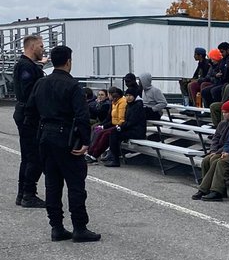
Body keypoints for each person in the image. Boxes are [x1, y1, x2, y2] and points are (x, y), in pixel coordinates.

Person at [25, 44, 99, 242]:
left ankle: (56, 226)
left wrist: (36, 138)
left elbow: (30, 112)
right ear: (68, 61)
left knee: (52, 184)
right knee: (75, 185)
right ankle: (79, 227)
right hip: (66, 137)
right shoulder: (73, 85)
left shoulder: (41, 83)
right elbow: (82, 115)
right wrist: (85, 141)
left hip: (45, 136)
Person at [12, 35, 46, 208]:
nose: (43, 49)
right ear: (32, 47)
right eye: (41, 46)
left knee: (28, 156)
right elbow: (30, 92)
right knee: (35, 156)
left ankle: (23, 193)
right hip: (29, 115)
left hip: (26, 113)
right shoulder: (26, 66)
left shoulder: (28, 65)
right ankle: (28, 194)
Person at [192, 99, 229, 200]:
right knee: (206, 160)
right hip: (221, 150)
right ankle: (208, 188)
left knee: (215, 160)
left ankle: (212, 189)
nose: (224, 115)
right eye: (223, 112)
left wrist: (219, 152)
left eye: (226, 112)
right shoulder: (222, 124)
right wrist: (213, 151)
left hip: (227, 151)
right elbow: (215, 138)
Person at [104, 88, 147, 166]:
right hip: (130, 129)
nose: (128, 97)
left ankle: (115, 160)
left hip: (137, 131)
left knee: (114, 134)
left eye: (130, 95)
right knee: (113, 133)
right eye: (126, 95)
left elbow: (132, 121)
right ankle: (114, 157)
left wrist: (121, 127)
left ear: (134, 96)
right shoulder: (129, 105)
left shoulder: (138, 106)